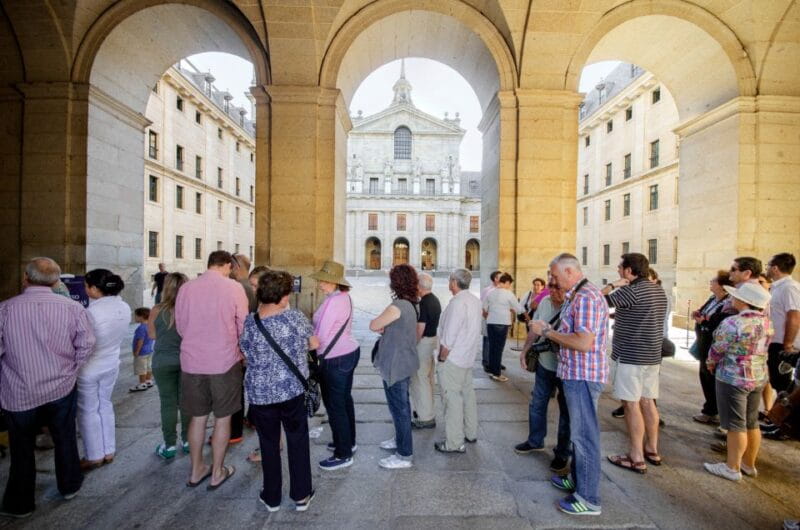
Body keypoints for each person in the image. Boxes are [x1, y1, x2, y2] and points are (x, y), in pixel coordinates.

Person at [0, 258, 95, 518]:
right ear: (56, 280)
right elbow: (86, 344)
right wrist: (72, 370)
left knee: (21, 448)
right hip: (61, 388)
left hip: (19, 389)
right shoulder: (72, 308)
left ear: (25, 278)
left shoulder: (6, 309)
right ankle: (70, 485)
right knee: (65, 438)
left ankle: (20, 504)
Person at [530, 253, 608, 516]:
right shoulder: (579, 294)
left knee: (584, 437)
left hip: (583, 376)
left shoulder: (585, 297)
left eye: (553, 275)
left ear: (569, 272)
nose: (551, 280)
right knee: (578, 434)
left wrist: (547, 332)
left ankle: (588, 498)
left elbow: (583, 342)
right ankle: (577, 479)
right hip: (575, 373)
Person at [239, 270, 318, 512]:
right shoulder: (294, 317)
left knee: (268, 444)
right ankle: (301, 495)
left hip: (261, 395)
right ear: (283, 297)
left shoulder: (251, 321)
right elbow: (314, 344)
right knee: (297, 441)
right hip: (292, 391)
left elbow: (244, 353)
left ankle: (272, 497)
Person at [176, 250, 248, 490]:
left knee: (197, 418)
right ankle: (217, 471)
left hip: (192, 362)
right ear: (227, 265)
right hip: (224, 361)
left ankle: (196, 470)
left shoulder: (186, 288)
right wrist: (241, 351)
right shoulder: (233, 288)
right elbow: (243, 325)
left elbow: (181, 326)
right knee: (223, 417)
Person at [602, 253, 668, 474]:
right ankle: (652, 449)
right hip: (651, 355)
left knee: (631, 405)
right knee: (648, 402)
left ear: (630, 270)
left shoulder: (630, 290)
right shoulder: (657, 289)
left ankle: (636, 456)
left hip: (631, 355)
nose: (619, 271)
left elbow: (596, 299)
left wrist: (614, 285)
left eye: (621, 268)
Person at [704, 282, 772, 481]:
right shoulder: (767, 322)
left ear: (744, 301)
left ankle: (732, 467)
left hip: (733, 377)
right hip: (757, 377)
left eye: (736, 296)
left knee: (735, 424)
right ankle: (748, 464)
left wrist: (710, 362)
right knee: (751, 422)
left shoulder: (733, 323)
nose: (732, 298)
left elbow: (718, 348)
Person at [515, 279, 571, 474]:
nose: (553, 291)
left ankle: (562, 453)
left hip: (567, 369)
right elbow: (533, 329)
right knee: (537, 403)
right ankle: (535, 440)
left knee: (566, 413)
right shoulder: (545, 302)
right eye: (551, 287)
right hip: (545, 364)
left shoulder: (573, 304)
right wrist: (525, 351)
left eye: (558, 287)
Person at [77, 269, 130, 470]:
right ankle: (108, 450)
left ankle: (94, 455)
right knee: (105, 405)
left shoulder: (91, 312)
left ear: (94, 288)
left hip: (91, 366)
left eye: (85, 285)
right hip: (111, 362)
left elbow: (84, 343)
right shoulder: (124, 307)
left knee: (88, 410)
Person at [310, 261, 360, 471]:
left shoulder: (333, 302)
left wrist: (306, 341)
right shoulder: (342, 297)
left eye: (323, 280)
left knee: (335, 405)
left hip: (334, 358)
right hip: (346, 353)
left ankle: (343, 453)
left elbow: (319, 337)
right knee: (344, 401)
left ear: (333, 282)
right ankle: (348, 441)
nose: (320, 284)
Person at [370, 264, 419, 470]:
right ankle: (399, 439)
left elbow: (373, 325)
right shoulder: (411, 303)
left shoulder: (397, 305)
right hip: (402, 360)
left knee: (399, 408)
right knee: (399, 405)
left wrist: (382, 323)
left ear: (396, 282)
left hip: (396, 363)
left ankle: (404, 454)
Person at [434, 269, 481, 453]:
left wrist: (442, 357)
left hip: (453, 359)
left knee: (451, 400)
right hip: (467, 356)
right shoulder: (475, 300)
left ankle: (454, 442)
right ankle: (471, 432)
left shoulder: (457, 303)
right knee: (468, 396)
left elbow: (450, 335)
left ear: (454, 282)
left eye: (449, 280)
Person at [147, 272, 190, 459]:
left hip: (163, 361)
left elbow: (152, 336)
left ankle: (169, 445)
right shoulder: (191, 309)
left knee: (168, 403)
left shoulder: (156, 310)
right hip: (186, 360)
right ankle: (188, 440)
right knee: (186, 402)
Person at [691, 270, 733, 424]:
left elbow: (718, 321)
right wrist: (699, 315)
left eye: (713, 281)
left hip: (714, 343)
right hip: (704, 341)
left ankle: (714, 411)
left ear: (722, 286)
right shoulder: (712, 299)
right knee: (705, 374)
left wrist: (705, 320)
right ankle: (710, 409)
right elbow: (703, 313)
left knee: (712, 376)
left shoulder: (728, 302)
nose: (710, 283)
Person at [764, 253, 800, 412]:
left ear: (775, 268)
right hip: (775, 341)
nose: (766, 268)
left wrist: (788, 345)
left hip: (782, 344)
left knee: (783, 385)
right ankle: (777, 419)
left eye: (767, 265)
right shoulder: (777, 287)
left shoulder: (789, 288)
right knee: (777, 382)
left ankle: (783, 424)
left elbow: (794, 317)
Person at [229, 253, 256, 445]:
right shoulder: (252, 286)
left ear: (236, 267)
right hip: (253, 344)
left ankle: (234, 430)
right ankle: (253, 418)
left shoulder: (237, 287)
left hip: (239, 345)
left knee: (234, 389)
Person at [411, 272, 441, 429]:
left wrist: (412, 344)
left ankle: (425, 417)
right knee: (428, 379)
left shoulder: (424, 303)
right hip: (432, 341)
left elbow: (420, 328)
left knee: (419, 379)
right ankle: (427, 411)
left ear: (419, 286)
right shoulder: (434, 299)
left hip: (423, 344)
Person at [483, 273, 524, 382]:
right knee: (499, 349)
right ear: (506, 282)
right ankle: (496, 373)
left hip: (491, 322)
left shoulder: (490, 293)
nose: (509, 286)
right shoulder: (508, 294)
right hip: (502, 323)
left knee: (492, 347)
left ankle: (492, 370)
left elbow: (484, 308)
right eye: (509, 284)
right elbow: (519, 309)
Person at [480, 270, 502, 371]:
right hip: (489, 319)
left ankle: (496, 362)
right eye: (500, 277)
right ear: (495, 279)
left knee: (497, 342)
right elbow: (483, 305)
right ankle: (486, 362)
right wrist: (487, 316)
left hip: (499, 320)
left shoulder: (502, 290)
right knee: (488, 341)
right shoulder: (488, 290)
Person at [129, 308, 154, 392]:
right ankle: (148, 381)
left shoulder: (141, 328)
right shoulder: (150, 326)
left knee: (141, 368)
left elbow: (140, 340)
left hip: (142, 352)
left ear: (141, 317)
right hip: (149, 350)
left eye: (135, 316)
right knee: (148, 366)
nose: (134, 318)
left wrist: (137, 351)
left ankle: (142, 384)